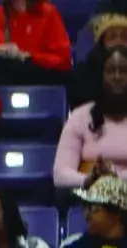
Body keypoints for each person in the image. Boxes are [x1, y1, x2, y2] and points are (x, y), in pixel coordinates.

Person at [54, 47, 127, 188]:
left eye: (124, 71)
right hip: (89, 192)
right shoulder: (81, 116)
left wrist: (115, 178)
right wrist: (89, 180)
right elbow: (60, 173)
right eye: (111, 71)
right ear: (101, 76)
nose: (117, 76)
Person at [0, 0, 71, 86]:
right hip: (2, 80)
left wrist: (29, 56)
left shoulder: (48, 14)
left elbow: (63, 62)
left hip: (38, 78)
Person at [70, 0, 127, 111]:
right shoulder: (84, 75)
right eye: (112, 37)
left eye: (124, 37)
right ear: (101, 42)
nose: (118, 42)